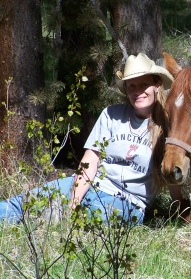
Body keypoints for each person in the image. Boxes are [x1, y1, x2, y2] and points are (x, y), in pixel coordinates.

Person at [0, 52, 178, 224]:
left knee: (91, 217)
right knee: (26, 202)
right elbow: (91, 160)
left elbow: (175, 168)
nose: (137, 91)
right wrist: (73, 202)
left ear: (157, 85)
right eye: (132, 85)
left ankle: (51, 220)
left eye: (144, 84)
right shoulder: (111, 114)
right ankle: (47, 215)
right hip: (93, 185)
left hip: (129, 203)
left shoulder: (168, 125)